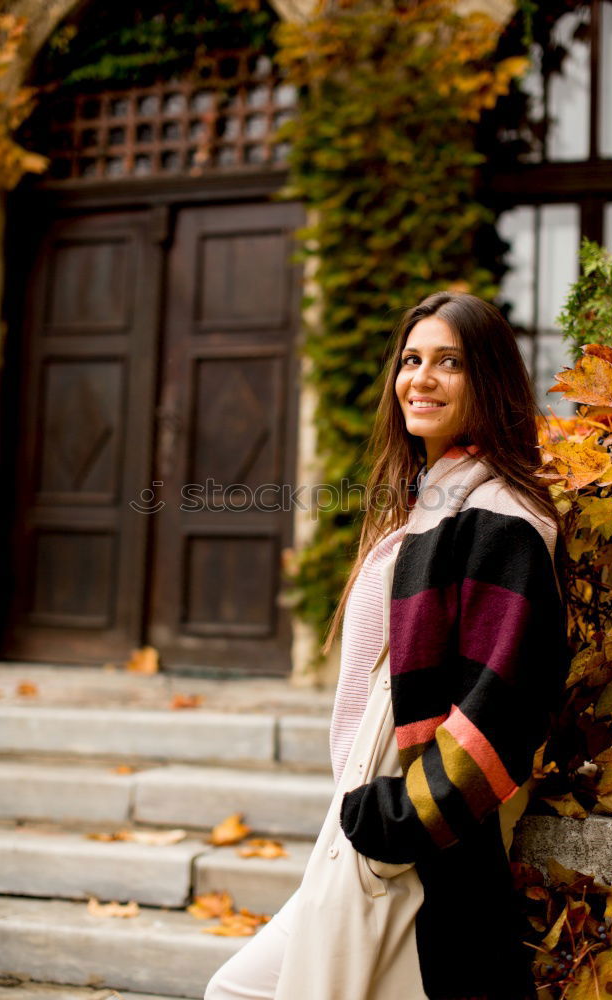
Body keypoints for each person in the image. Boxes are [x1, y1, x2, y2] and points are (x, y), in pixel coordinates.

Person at [204, 291, 571, 1000]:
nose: (420, 379)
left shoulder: (501, 518)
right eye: (411, 360)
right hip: (370, 826)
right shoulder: (431, 501)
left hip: (407, 844)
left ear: (488, 379)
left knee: (239, 991)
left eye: (449, 363)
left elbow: (504, 703)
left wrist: (398, 820)